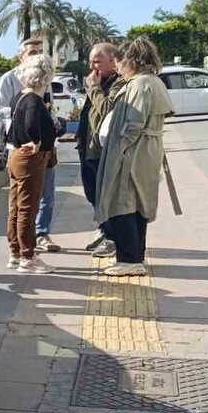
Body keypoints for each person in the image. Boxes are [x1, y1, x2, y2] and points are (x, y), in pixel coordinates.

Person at [94, 36, 173, 277]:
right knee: (137, 204)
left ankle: (129, 259)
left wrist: (119, 151)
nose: (117, 67)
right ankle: (134, 256)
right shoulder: (152, 82)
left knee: (123, 202)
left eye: (119, 61)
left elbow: (133, 124)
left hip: (134, 152)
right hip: (146, 150)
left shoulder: (139, 84)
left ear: (131, 60)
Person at [0, 38, 61, 254]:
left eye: (40, 52)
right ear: (21, 56)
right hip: (24, 149)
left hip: (44, 151)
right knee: (23, 203)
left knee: (46, 194)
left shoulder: (43, 82)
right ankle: (25, 251)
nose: (37, 56)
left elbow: (46, 109)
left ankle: (39, 235)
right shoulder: (11, 81)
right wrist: (30, 135)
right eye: (32, 52)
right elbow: (4, 112)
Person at [5, 54, 58, 274]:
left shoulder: (19, 96)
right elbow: (30, 124)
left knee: (16, 206)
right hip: (30, 159)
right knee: (28, 208)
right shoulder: (34, 101)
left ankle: (15, 252)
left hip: (16, 156)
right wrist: (35, 140)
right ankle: (28, 256)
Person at [78, 43, 120, 258]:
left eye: (97, 61)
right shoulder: (98, 80)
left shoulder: (117, 82)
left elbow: (106, 110)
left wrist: (93, 87)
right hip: (88, 146)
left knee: (104, 196)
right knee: (91, 192)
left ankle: (113, 237)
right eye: (91, 61)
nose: (92, 66)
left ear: (112, 60)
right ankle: (105, 229)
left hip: (102, 149)